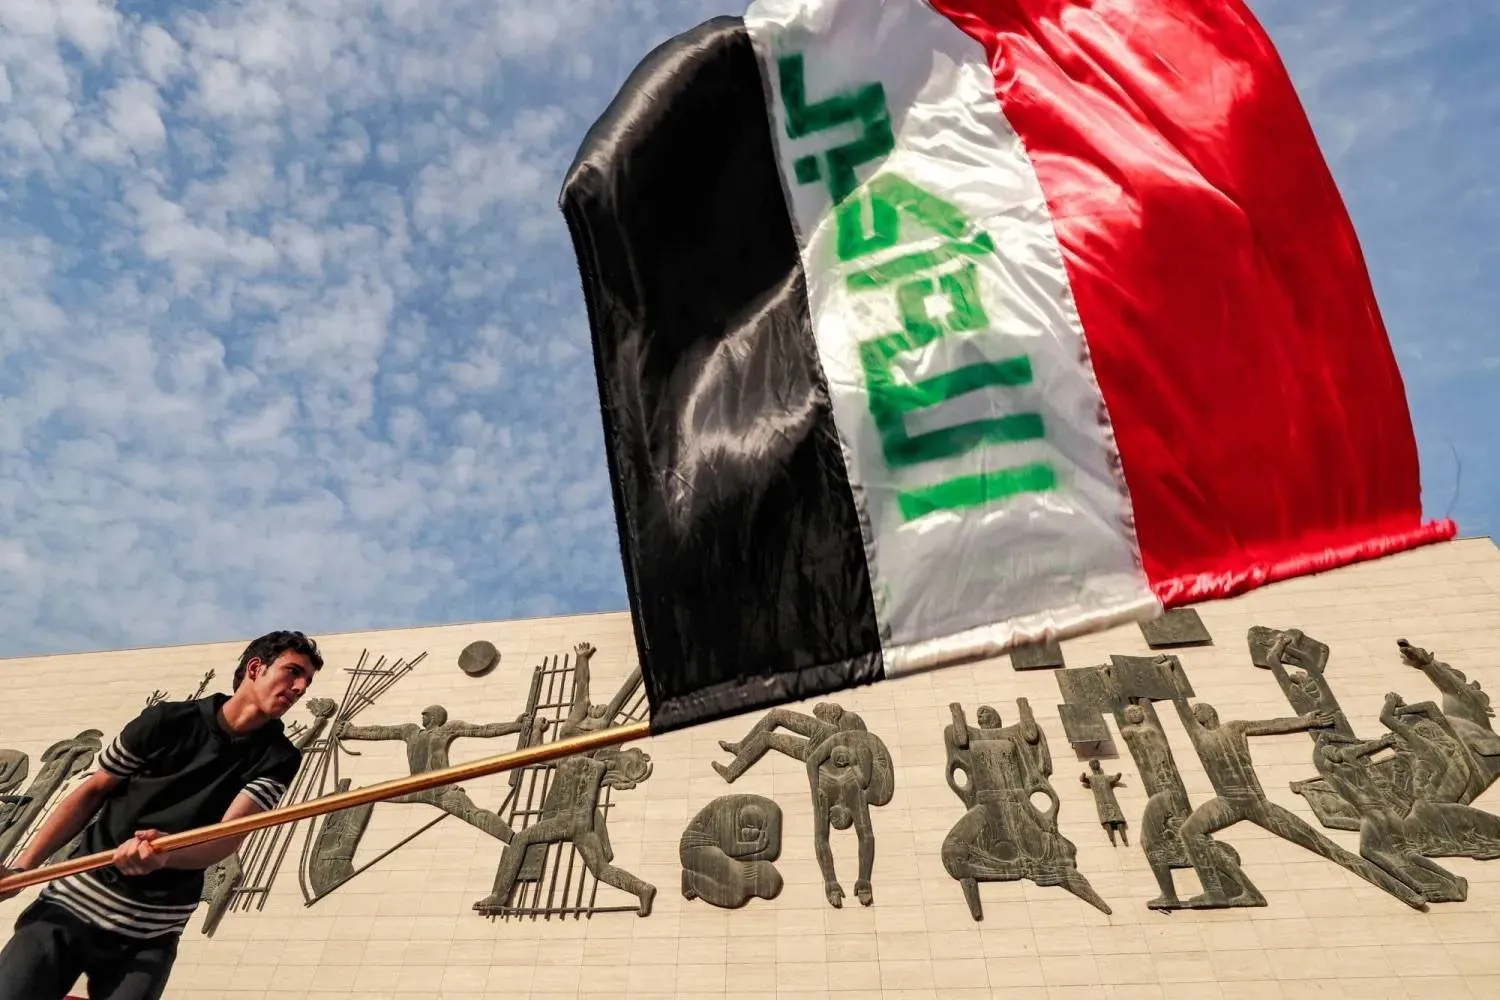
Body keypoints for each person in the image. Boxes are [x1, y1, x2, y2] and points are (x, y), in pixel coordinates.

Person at [0, 630, 323, 1000]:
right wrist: (22, 872)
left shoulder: (281, 757)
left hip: (152, 932)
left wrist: (167, 855)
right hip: (73, 903)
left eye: (307, 682)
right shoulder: (165, 721)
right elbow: (91, 792)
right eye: (292, 672)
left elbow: (228, 836)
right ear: (255, 668)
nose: (300, 688)